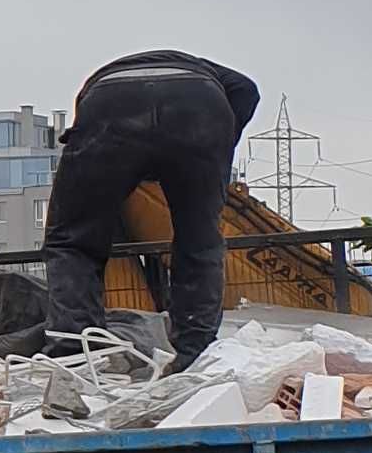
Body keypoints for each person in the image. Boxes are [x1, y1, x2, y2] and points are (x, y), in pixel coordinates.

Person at [43, 49, 260, 367]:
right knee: (199, 241)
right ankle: (194, 353)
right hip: (200, 107)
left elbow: (87, 124)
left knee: (72, 242)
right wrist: (219, 145)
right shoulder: (219, 78)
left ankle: (75, 352)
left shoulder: (95, 87)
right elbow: (247, 90)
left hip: (109, 102)